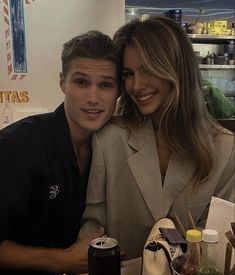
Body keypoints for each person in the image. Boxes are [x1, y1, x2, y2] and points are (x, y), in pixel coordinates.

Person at [79, 16, 235, 260]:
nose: (137, 85)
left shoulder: (225, 148)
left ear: (176, 69)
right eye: (129, 73)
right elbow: (92, 227)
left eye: (149, 69)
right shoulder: (110, 139)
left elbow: (221, 243)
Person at [0, 30, 120, 275]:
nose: (93, 98)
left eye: (105, 85)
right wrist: (63, 259)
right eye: (81, 82)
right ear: (62, 82)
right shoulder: (16, 147)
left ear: (118, 91)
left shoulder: (111, 147)